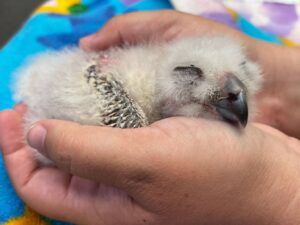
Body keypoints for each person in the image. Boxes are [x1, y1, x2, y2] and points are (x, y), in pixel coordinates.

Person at [0, 10, 299, 225]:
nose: (235, 91)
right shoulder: (123, 105)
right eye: (189, 75)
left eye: (243, 72)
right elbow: (51, 88)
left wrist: (280, 195)